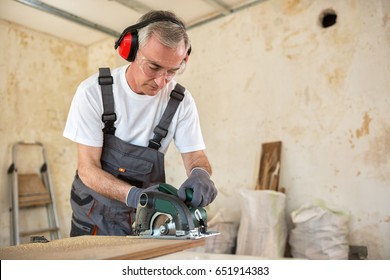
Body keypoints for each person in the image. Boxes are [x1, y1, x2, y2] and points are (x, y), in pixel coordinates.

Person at [63, 10, 217, 236]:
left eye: (172, 71)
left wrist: (200, 173)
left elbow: (196, 156)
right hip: (93, 217)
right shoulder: (93, 92)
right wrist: (136, 196)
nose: (161, 81)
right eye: (153, 67)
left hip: (145, 220)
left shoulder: (181, 102)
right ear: (131, 50)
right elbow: (88, 169)